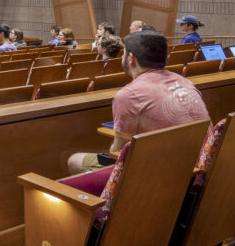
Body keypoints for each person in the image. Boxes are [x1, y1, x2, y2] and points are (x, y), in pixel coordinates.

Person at [68, 31, 210, 173]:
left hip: (158, 172)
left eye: (124, 53)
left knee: (74, 160)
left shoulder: (129, 95)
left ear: (131, 59)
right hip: (197, 165)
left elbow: (117, 152)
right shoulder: (185, 82)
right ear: (165, 58)